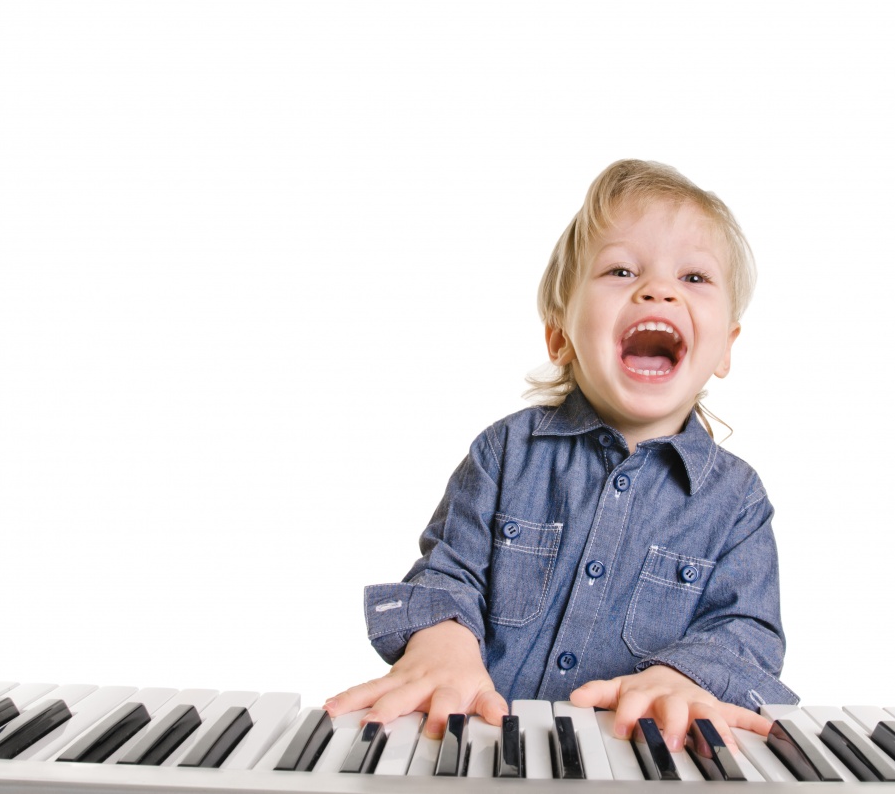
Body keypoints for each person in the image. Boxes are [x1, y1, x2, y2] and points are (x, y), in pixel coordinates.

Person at [324, 159, 797, 753]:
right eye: (622, 270)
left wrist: (680, 679)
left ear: (725, 347)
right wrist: (442, 643)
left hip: (641, 764)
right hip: (479, 756)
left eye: (695, 277)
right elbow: (449, 575)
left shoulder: (737, 501)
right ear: (561, 337)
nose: (658, 289)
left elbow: (745, 630)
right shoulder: (504, 453)